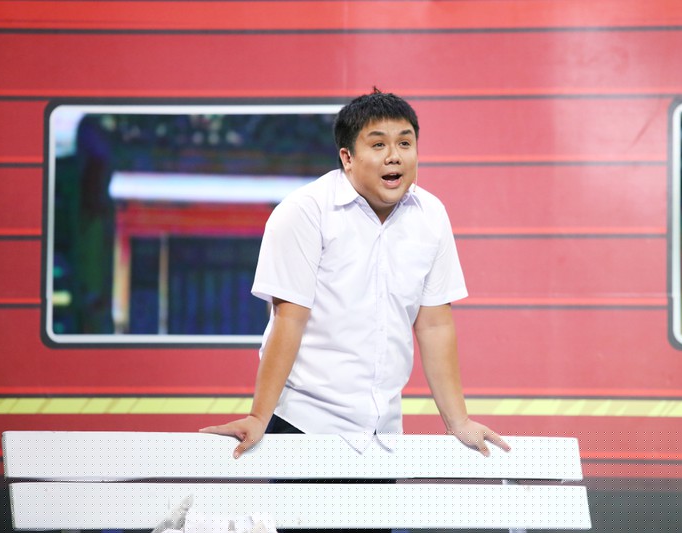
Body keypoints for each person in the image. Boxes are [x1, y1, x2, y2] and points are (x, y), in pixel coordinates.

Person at [200, 89, 509, 465]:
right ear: (347, 157)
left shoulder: (431, 215)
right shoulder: (305, 211)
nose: (394, 156)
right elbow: (288, 319)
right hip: (305, 427)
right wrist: (259, 416)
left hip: (384, 437)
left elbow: (434, 324)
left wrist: (458, 421)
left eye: (405, 143)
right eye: (378, 145)